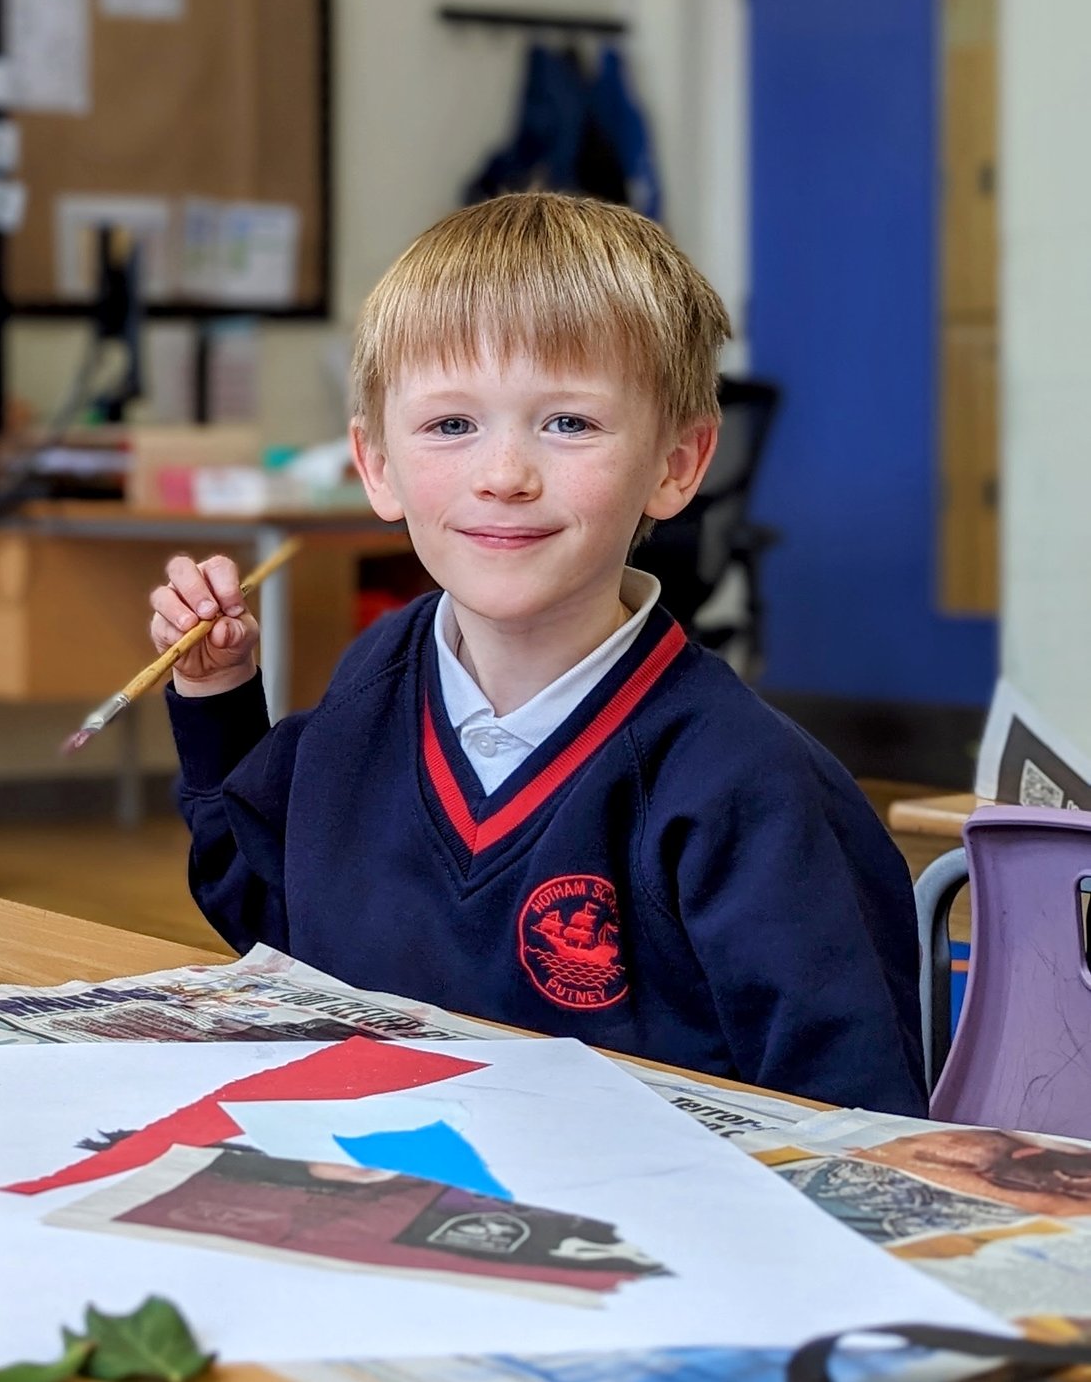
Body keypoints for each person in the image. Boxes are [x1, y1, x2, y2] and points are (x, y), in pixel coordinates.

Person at [152, 193, 924, 1112]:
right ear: (377, 465)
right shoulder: (376, 679)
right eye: (451, 425)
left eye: (569, 424)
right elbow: (277, 921)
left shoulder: (750, 786)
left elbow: (854, 1114)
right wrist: (219, 695)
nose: (504, 476)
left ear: (678, 463)